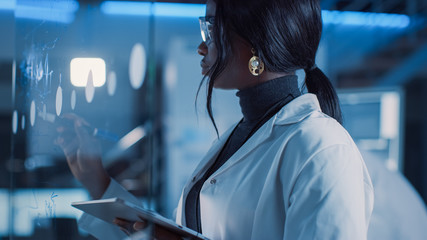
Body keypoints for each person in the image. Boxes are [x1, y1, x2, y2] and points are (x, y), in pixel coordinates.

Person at [58, 0, 374, 239]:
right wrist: (97, 180)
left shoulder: (323, 149)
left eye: (211, 29)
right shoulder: (242, 135)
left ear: (254, 45)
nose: (201, 46)